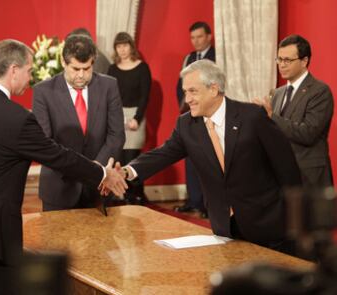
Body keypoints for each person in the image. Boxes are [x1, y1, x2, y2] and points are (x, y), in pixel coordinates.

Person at [0, 39, 126, 295]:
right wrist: (102, 173)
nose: (30, 78)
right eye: (29, 70)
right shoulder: (18, 118)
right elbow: (59, 157)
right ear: (13, 70)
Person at [119, 60, 302, 255]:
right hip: (225, 228)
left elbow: (286, 167)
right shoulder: (186, 125)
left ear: (214, 89)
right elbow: (163, 153)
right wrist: (126, 171)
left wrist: (296, 220)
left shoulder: (252, 117)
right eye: (185, 91)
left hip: (268, 224)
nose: (187, 99)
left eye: (192, 91)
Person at [33, 34, 125, 211]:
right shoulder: (43, 92)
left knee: (101, 239)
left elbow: (117, 135)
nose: (81, 75)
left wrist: (97, 170)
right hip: (59, 187)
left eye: (87, 68)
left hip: (100, 186)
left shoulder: (109, 86)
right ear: (63, 62)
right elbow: (44, 143)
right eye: (75, 69)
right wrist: (87, 170)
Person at [253, 35, 334, 187]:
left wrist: (271, 116)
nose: (282, 65)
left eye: (287, 60)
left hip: (309, 176)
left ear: (304, 61)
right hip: (281, 175)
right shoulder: (277, 93)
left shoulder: (320, 91)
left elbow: (308, 133)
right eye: (279, 59)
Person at [174, 21, 215, 216]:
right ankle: (194, 200)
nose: (196, 41)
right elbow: (179, 85)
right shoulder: (189, 58)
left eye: (199, 36)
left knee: (208, 158)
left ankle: (208, 204)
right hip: (189, 113)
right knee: (189, 156)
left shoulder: (217, 55)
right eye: (192, 37)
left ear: (209, 36)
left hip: (209, 113)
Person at [107, 32, 151, 204]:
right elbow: (109, 96)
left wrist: (137, 119)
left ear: (131, 47)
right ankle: (124, 197)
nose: (122, 49)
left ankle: (137, 197)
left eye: (125, 45)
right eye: (119, 46)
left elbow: (145, 96)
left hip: (135, 116)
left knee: (133, 158)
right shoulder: (112, 69)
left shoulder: (142, 68)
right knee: (119, 158)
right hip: (117, 115)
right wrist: (114, 118)